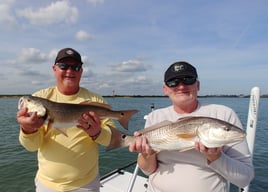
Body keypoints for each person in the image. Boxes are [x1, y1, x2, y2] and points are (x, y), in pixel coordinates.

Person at [129, 61, 254, 192]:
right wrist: (146, 154)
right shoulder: (156, 116)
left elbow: (244, 178)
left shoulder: (223, 114)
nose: (181, 86)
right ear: (165, 89)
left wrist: (215, 157)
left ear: (198, 85)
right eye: (173, 82)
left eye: (188, 80)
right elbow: (148, 171)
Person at [17, 48, 115, 192]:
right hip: (47, 185)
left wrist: (97, 133)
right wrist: (28, 130)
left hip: (86, 185)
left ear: (81, 71)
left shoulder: (95, 101)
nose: (70, 71)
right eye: (64, 66)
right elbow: (31, 146)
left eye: (75, 67)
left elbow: (113, 140)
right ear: (54, 68)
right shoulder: (41, 97)